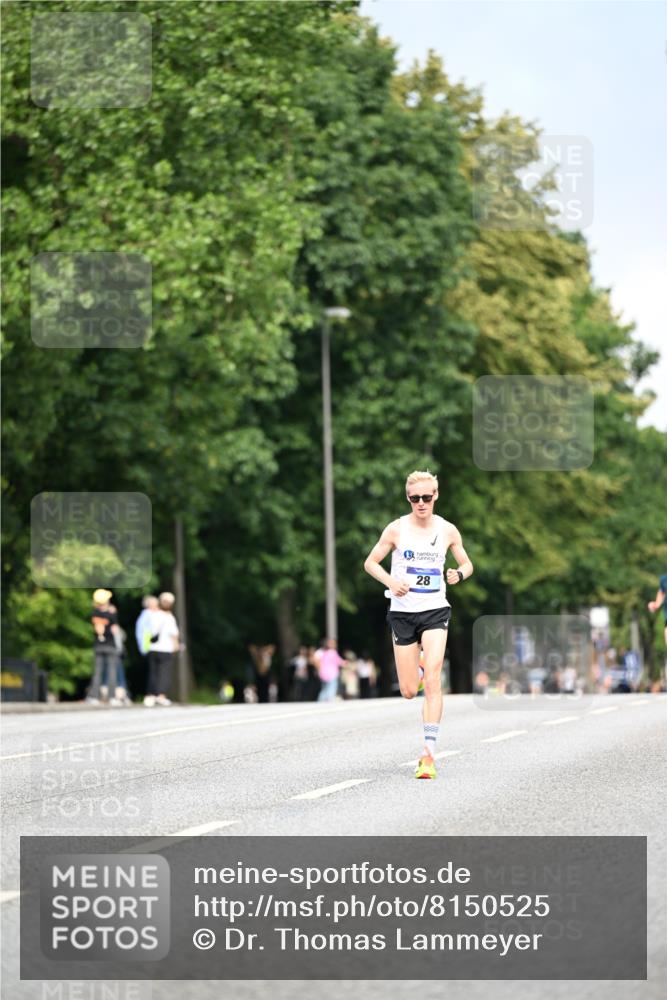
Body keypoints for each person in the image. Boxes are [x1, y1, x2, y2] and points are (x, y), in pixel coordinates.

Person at [364, 469, 473, 779]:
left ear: (436, 496)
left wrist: (458, 574)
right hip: (402, 613)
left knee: (435, 679)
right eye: (415, 498)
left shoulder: (448, 530)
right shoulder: (396, 530)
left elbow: (466, 563)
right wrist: (390, 580)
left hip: (435, 609)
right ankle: (420, 662)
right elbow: (370, 562)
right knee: (411, 690)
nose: (421, 503)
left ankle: (428, 754)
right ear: (408, 498)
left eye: (426, 497)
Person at [144, 592, 179, 707]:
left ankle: (150, 695)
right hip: (165, 648)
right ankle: (161, 696)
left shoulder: (153, 615)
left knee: (153, 672)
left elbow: (147, 631)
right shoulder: (169, 618)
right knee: (164, 673)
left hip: (153, 647)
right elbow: (173, 635)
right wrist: (176, 646)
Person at [88, 588, 120, 704]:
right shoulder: (111, 614)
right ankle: (112, 697)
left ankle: (94, 697)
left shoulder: (94, 614)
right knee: (111, 671)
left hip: (98, 645)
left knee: (97, 672)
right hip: (110, 645)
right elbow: (115, 630)